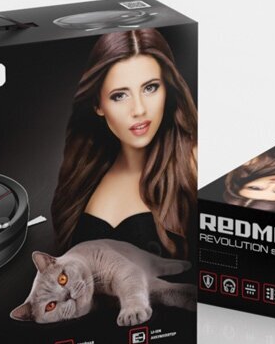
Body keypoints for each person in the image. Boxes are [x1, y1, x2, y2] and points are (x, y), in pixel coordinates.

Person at [52, 28, 197, 256]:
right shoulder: (82, 177)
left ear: (167, 90)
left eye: (150, 88)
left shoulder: (193, 161)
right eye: (120, 95)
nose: (139, 109)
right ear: (98, 105)